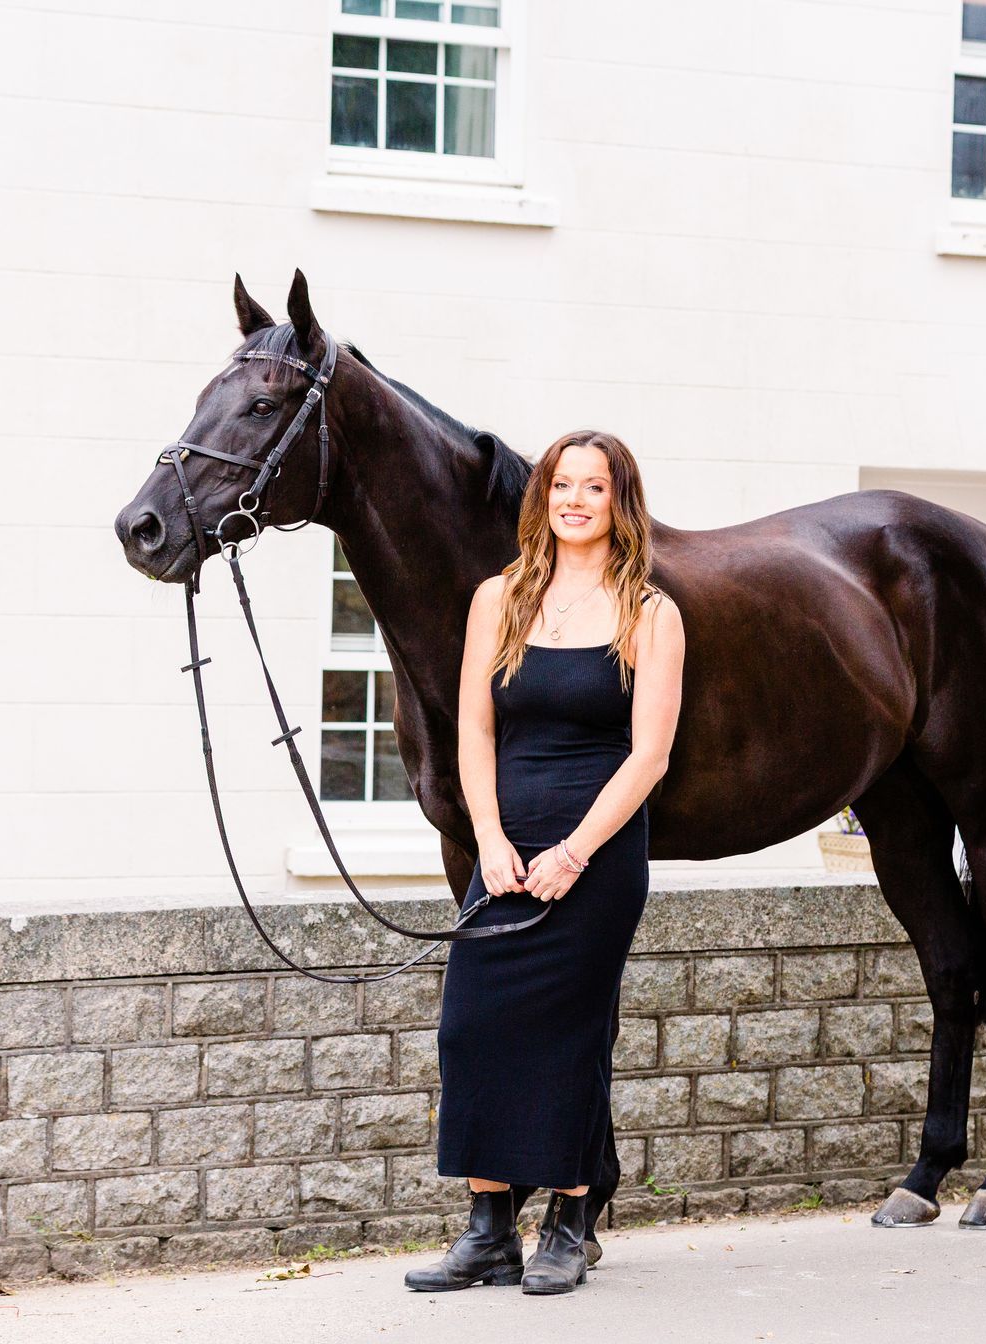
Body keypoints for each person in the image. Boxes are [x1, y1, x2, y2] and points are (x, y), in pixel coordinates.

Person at [405, 429, 686, 1296]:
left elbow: (649, 758)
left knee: (570, 1038)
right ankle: (490, 1229)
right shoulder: (500, 598)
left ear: (618, 502)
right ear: (543, 498)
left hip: (594, 854)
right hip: (503, 845)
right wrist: (488, 838)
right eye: (562, 485)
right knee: (471, 1030)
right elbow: (474, 730)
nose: (574, 500)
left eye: (592, 488)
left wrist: (573, 852)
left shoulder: (651, 611)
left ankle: (570, 1219)